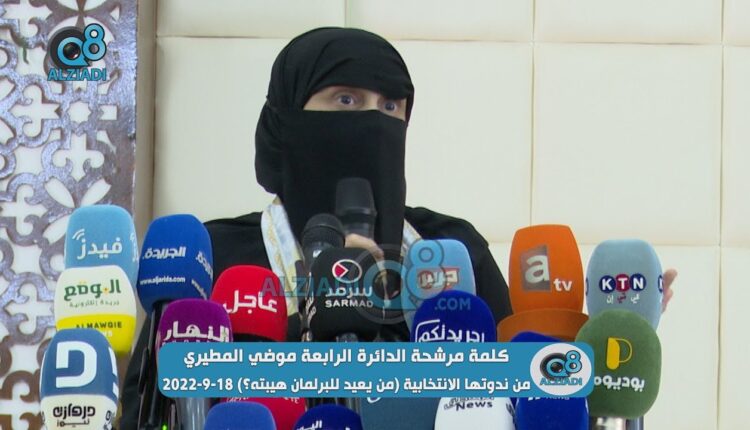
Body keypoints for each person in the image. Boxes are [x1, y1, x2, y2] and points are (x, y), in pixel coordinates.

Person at [120, 27, 675, 428]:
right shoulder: (213, 256)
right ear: (285, 123)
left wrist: (596, 352)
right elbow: (153, 410)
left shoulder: (453, 249)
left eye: (390, 107)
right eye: (346, 100)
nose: (373, 122)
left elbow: (522, 401)